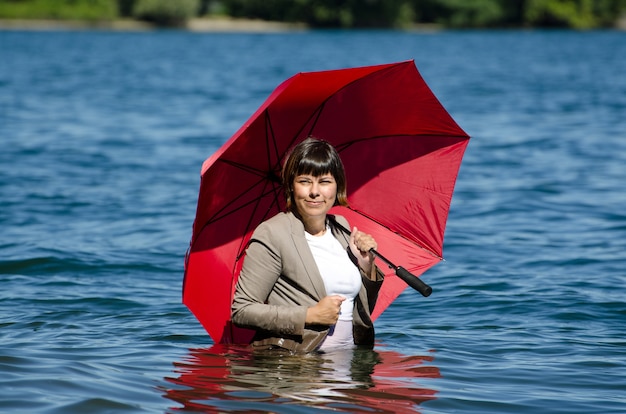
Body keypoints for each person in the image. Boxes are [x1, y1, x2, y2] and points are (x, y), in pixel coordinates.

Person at [231, 137, 384, 354]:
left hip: (346, 367)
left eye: (324, 181)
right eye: (304, 181)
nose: (315, 191)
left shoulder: (341, 227)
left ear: (337, 185)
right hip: (298, 366)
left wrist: (366, 266)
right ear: (291, 186)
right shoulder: (273, 233)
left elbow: (360, 311)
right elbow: (242, 310)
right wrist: (309, 315)